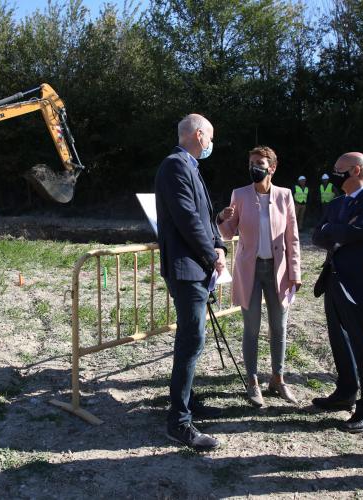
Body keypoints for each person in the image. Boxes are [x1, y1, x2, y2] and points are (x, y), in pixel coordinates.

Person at [155, 113, 227, 451]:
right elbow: (186, 218)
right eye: (210, 137)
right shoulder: (175, 165)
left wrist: (220, 245)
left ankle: (188, 401)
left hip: (196, 266)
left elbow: (206, 217)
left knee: (192, 341)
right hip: (186, 268)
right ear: (198, 134)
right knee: (191, 341)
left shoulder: (191, 167)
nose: (212, 144)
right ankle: (178, 422)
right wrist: (212, 256)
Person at [216, 146, 301, 408]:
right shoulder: (239, 194)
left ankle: (278, 378)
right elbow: (228, 233)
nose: (255, 166)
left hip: (279, 270)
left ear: (272, 167)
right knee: (251, 328)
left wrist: (295, 272)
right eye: (252, 162)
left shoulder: (285, 195)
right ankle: (252, 382)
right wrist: (221, 218)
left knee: (279, 327)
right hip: (249, 270)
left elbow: (293, 238)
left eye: (260, 162)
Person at [311, 152, 363, 434]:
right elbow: (319, 235)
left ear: (355, 171)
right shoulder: (337, 203)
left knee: (362, 343)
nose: (333, 175)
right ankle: (345, 392)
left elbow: (358, 232)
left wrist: (336, 229)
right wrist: (338, 229)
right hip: (333, 281)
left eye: (338, 170)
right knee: (339, 340)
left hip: (360, 285)